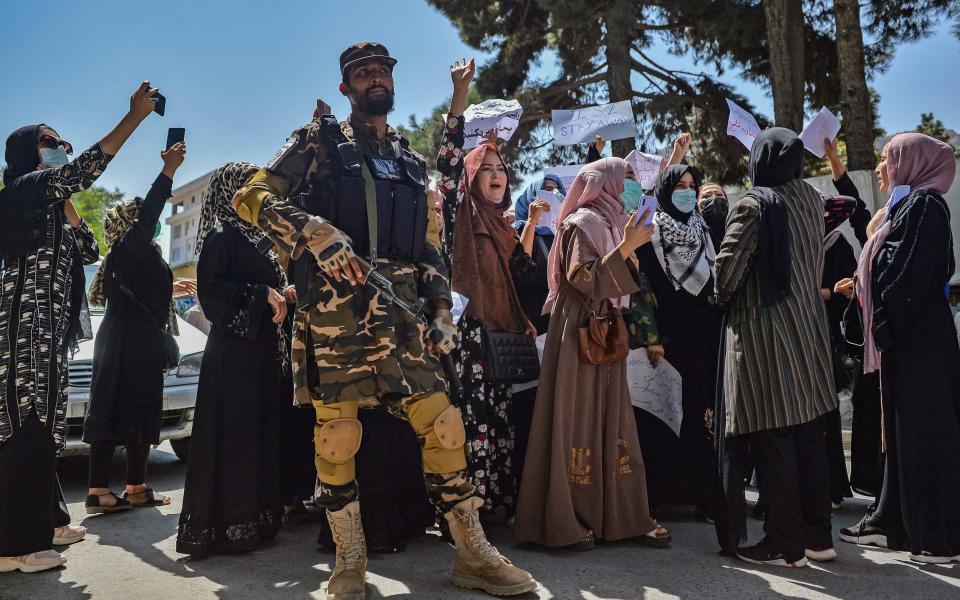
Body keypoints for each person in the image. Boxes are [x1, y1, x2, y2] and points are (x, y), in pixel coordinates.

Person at [230, 43, 536, 598]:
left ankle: (472, 552)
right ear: (346, 87)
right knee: (339, 434)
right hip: (335, 315)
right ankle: (349, 559)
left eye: (383, 72)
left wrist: (442, 308)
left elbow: (431, 248)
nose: (375, 79)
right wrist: (314, 233)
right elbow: (250, 196)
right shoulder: (315, 141)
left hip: (404, 314)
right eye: (363, 73)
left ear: (392, 86)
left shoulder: (414, 164)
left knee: (444, 425)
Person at [0, 82, 158, 573]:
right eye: (51, 141)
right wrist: (133, 118)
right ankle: (13, 547)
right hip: (20, 333)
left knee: (45, 430)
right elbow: (90, 167)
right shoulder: (21, 192)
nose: (61, 148)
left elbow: (88, 251)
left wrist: (66, 199)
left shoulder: (48, 202)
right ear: (28, 151)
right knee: (23, 429)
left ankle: (46, 521)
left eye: (64, 143)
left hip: (50, 333)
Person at [514, 157, 671, 550]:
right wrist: (626, 249)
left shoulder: (615, 222)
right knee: (576, 416)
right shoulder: (580, 222)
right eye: (627, 177)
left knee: (613, 419)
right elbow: (581, 277)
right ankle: (568, 520)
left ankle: (620, 516)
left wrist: (627, 247)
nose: (632, 185)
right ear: (605, 182)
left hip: (606, 326)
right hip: (579, 327)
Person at [715, 128, 837, 568]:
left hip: (765, 334)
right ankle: (818, 537)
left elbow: (725, 277)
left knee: (773, 438)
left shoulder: (753, 203)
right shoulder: (811, 199)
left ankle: (784, 545)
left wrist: (721, 294)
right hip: (808, 329)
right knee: (808, 437)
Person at [838, 133, 960, 563]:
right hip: (909, 342)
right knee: (904, 438)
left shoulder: (925, 206)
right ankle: (899, 525)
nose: (881, 168)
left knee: (925, 437)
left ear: (911, 163)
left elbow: (906, 275)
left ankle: (936, 540)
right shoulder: (911, 207)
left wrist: (874, 284)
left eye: (887, 158)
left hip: (919, 344)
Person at [439, 61, 542, 520]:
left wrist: (531, 226)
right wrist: (460, 97)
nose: (497, 174)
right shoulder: (459, 213)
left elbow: (522, 272)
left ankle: (496, 507)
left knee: (501, 424)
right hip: (468, 339)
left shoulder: (505, 224)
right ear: (472, 177)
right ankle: (463, 511)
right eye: (488, 168)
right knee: (468, 422)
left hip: (500, 340)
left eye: (503, 168)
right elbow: (447, 162)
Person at [175, 162, 295, 555]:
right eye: (248, 186)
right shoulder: (222, 235)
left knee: (259, 434)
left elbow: (268, 289)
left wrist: (282, 294)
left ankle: (259, 519)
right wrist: (261, 292)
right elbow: (210, 295)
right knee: (236, 438)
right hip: (234, 359)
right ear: (230, 192)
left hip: (260, 353)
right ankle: (227, 527)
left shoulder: (259, 237)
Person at [83, 142, 189, 514]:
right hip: (133, 345)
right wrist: (169, 171)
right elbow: (149, 214)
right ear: (132, 224)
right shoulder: (132, 245)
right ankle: (116, 489)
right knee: (127, 409)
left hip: (122, 342)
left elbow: (137, 293)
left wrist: (172, 289)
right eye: (141, 219)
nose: (151, 225)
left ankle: (119, 490)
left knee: (123, 409)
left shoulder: (130, 255)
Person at [634, 165, 726, 529]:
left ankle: (702, 495)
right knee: (663, 416)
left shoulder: (704, 230)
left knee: (700, 415)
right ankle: (662, 497)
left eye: (693, 186)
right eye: (680, 186)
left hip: (703, 337)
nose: (687, 192)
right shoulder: (651, 232)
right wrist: (651, 336)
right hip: (666, 342)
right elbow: (640, 285)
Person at [510, 174, 565, 495]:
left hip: (558, 339)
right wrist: (532, 221)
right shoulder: (520, 230)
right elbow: (522, 270)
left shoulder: (564, 237)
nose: (551, 196)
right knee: (528, 419)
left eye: (557, 192)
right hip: (529, 339)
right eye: (545, 191)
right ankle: (525, 497)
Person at [696, 182, 728, 248]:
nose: (714, 198)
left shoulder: (737, 228)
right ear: (696, 205)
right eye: (706, 196)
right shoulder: (692, 235)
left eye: (719, 194)